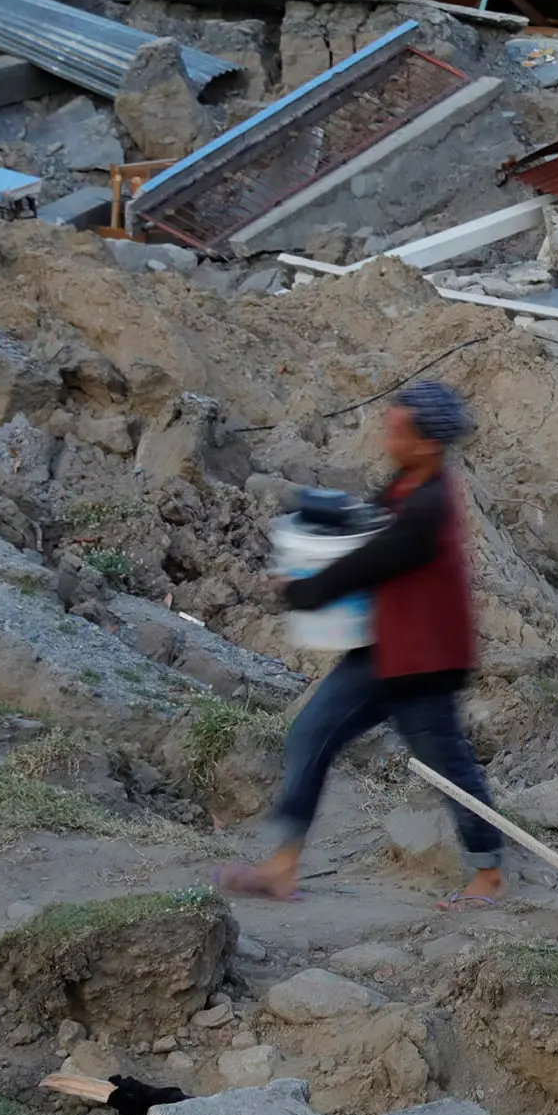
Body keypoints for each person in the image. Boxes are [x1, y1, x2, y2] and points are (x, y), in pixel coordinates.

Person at [223, 381, 507, 905]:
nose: (387, 434)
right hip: (386, 651)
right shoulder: (407, 484)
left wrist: (302, 590)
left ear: (424, 443)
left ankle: (487, 874)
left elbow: (368, 562)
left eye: (397, 428)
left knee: (449, 769)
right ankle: (282, 867)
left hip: (424, 663)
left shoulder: (430, 506)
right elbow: (368, 530)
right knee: (310, 733)